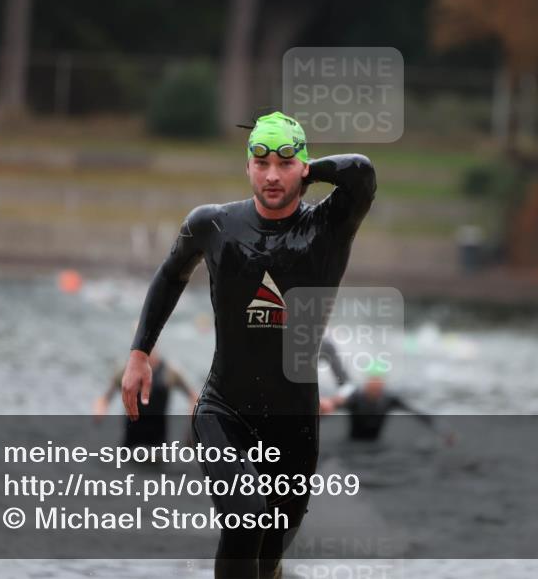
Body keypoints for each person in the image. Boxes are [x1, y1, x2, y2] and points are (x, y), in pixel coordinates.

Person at [121, 111, 376, 579]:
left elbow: (362, 172)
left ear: (303, 166)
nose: (272, 175)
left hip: (294, 422)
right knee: (248, 513)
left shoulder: (328, 226)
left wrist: (305, 164)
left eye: (284, 163)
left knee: (266, 559)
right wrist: (139, 353)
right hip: (223, 410)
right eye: (260, 162)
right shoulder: (213, 225)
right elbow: (170, 275)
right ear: (247, 166)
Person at [320, 362, 453, 445]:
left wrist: (443, 431)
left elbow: (418, 414)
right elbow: (329, 409)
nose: (375, 386)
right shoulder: (355, 398)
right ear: (367, 382)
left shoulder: (389, 399)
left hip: (376, 445)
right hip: (352, 445)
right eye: (372, 381)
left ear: (383, 383)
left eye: (378, 382)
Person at [94, 348, 198, 448]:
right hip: (131, 441)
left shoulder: (169, 371)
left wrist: (192, 426)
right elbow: (104, 399)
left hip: (158, 443)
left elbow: (193, 396)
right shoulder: (125, 371)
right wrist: (99, 411)